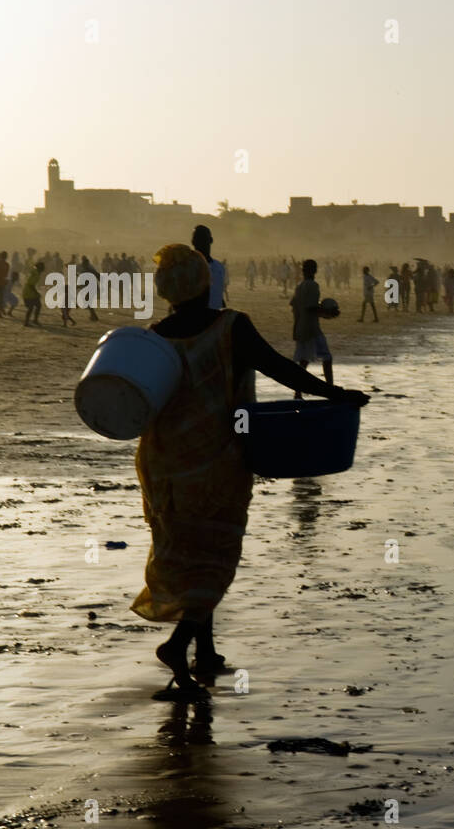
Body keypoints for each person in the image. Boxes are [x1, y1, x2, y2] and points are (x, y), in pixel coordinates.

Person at [134, 245, 368, 695]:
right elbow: (280, 368)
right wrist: (335, 395)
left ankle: (204, 650)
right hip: (217, 458)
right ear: (206, 282)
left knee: (186, 550)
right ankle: (177, 646)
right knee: (217, 552)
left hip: (164, 463)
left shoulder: (156, 336)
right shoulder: (229, 326)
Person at [290, 260, 332, 396]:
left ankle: (297, 392)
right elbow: (311, 307)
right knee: (327, 358)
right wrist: (327, 312)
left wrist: (295, 329)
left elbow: (295, 309)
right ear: (315, 270)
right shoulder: (313, 285)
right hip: (312, 329)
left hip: (301, 327)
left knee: (303, 361)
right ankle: (330, 390)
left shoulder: (299, 286)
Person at [192, 225, 225, 309]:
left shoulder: (219, 267)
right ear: (193, 242)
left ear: (210, 240)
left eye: (203, 239)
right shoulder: (186, 267)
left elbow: (218, 295)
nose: (200, 242)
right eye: (198, 239)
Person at [22, 261, 44, 326]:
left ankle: (34, 320)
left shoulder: (35, 272)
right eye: (42, 267)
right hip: (28, 293)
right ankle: (27, 322)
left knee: (38, 306)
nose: (43, 269)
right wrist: (36, 292)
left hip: (29, 292)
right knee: (31, 307)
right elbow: (30, 285)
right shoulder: (35, 274)